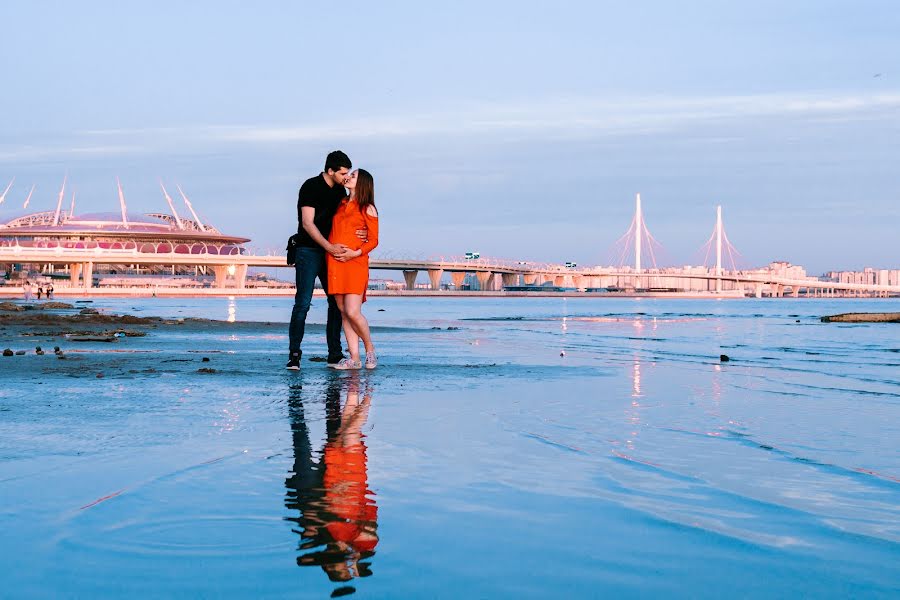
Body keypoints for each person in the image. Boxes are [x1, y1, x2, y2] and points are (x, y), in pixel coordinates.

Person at [287, 151, 366, 371]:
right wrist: (329, 247)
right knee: (303, 303)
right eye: (342, 172)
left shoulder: (341, 191)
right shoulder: (310, 186)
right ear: (330, 170)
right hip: (308, 250)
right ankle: (294, 355)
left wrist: (363, 234)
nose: (346, 176)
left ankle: (335, 354)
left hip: (332, 254)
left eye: (348, 173)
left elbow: (350, 217)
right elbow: (307, 223)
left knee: (336, 303)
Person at [327, 169, 379, 370]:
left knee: (353, 311)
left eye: (354, 175)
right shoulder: (340, 204)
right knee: (344, 313)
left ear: (363, 182)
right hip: (335, 262)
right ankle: (354, 358)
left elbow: (374, 240)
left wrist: (355, 253)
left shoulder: (368, 208)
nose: (348, 176)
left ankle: (370, 349)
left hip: (355, 262)